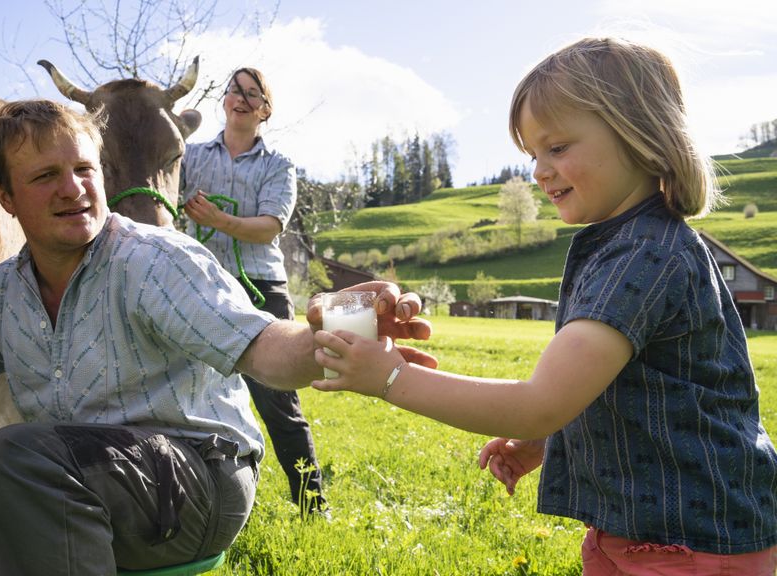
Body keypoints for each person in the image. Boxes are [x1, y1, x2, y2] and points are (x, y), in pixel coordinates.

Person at [311, 37, 777, 575]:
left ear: (640, 136)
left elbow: (543, 399)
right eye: (533, 154)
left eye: (557, 148)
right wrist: (544, 442)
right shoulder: (626, 245)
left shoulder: (644, 255)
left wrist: (389, 377)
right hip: (642, 529)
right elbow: (611, 387)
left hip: (694, 543)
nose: (539, 170)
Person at [0, 99, 432, 575]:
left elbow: (268, 349)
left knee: (16, 451)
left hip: (198, 478)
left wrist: (339, 328)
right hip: (62, 478)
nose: (72, 189)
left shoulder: (155, 260)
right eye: (47, 175)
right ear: (5, 197)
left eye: (85, 170)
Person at [180, 67, 326, 515]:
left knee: (278, 401)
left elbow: (268, 229)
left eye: (251, 93)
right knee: (189, 394)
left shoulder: (278, 165)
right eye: (233, 90)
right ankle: (194, 500)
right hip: (199, 281)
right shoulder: (189, 157)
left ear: (265, 110)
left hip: (259, 287)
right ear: (224, 101)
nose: (240, 98)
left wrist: (218, 221)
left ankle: (312, 502)